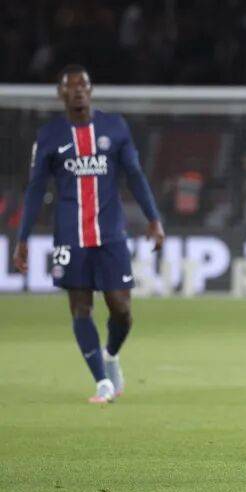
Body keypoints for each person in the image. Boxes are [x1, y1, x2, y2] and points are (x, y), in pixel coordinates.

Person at [13, 64, 164, 403]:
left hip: (110, 233)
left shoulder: (115, 127)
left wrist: (154, 218)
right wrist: (22, 237)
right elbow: (36, 189)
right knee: (81, 308)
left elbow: (135, 174)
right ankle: (102, 382)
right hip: (70, 236)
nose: (78, 90)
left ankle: (111, 355)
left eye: (83, 85)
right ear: (61, 94)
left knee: (122, 310)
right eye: (71, 86)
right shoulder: (49, 135)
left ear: (91, 90)